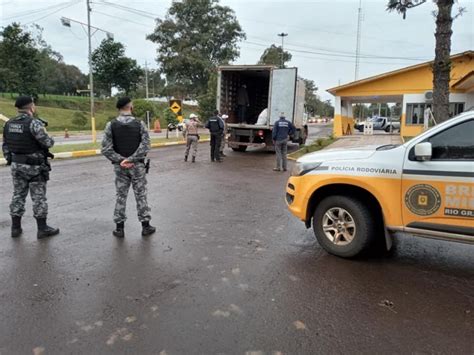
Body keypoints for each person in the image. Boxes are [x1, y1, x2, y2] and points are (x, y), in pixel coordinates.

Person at [2, 96, 59, 239]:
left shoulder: (8, 124)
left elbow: (6, 145)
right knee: (38, 197)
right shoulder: (34, 123)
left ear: (18, 108)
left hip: (16, 165)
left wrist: (11, 159)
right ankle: (42, 229)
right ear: (31, 107)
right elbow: (48, 143)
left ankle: (15, 228)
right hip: (34, 166)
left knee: (18, 195)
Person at [101, 97, 156, 238]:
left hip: (120, 167)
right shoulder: (140, 124)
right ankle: (145, 226)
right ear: (130, 106)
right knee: (141, 195)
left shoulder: (111, 125)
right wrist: (131, 159)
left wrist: (121, 160)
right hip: (137, 166)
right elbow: (145, 146)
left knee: (121, 196)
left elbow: (106, 149)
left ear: (118, 108)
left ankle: (119, 229)